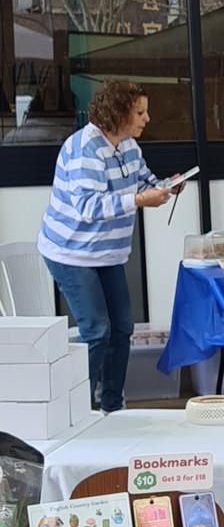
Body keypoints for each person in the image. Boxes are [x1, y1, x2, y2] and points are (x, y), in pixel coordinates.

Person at [36, 81, 177, 413]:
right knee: (96, 330)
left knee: (123, 327)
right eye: (139, 112)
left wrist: (167, 187)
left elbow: (142, 179)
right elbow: (89, 207)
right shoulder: (85, 149)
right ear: (118, 114)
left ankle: (112, 404)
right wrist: (142, 200)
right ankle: (73, 408)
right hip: (70, 252)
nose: (147, 118)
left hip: (105, 253)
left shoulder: (127, 145)